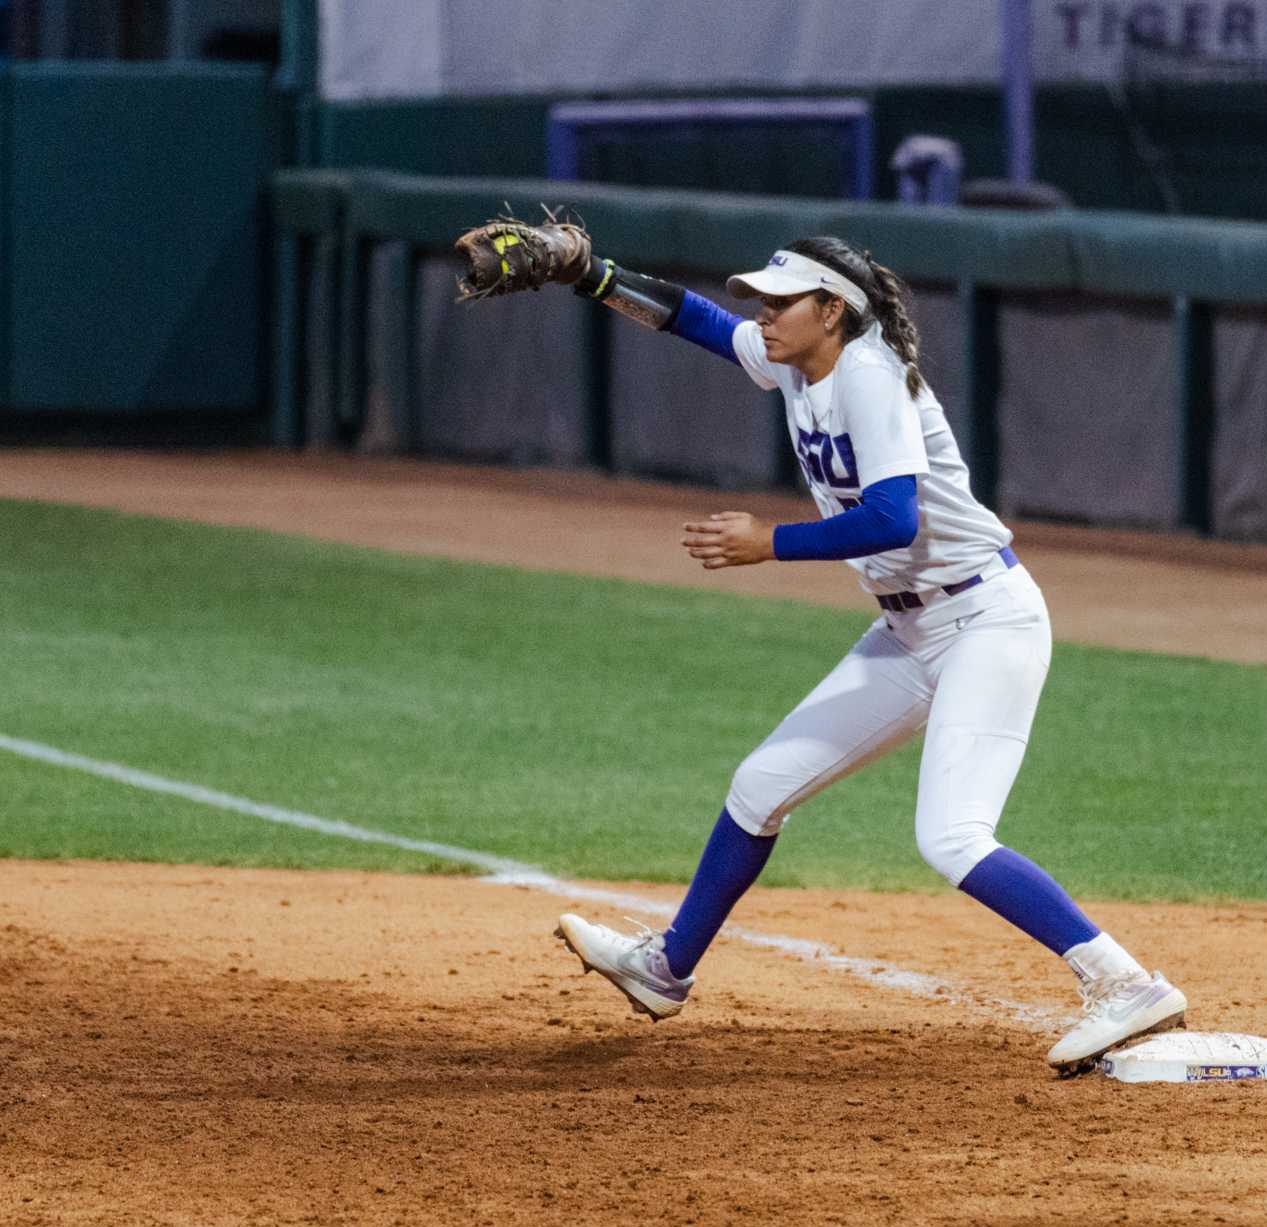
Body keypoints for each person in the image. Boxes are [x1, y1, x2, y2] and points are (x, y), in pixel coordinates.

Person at [453, 220, 1186, 1073]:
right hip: (909, 630)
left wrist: (771, 541)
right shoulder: (797, 359)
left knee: (952, 836)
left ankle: (1124, 982)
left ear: (832, 311)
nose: (761, 317)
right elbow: (691, 320)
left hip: (987, 620)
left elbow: (893, 519)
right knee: (760, 787)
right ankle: (666, 968)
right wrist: (593, 275)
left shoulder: (871, 380)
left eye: (778, 303)